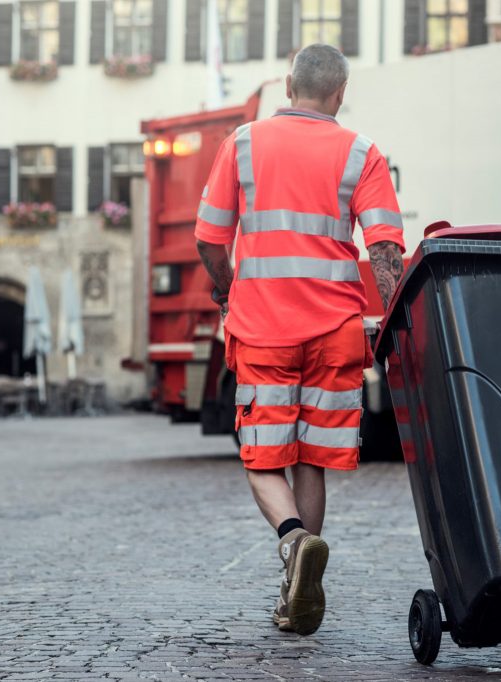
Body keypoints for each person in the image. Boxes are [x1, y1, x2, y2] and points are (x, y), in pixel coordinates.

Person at [194, 44, 405, 636]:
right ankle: (297, 591)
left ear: (289, 87)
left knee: (262, 459)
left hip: (264, 330)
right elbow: (385, 249)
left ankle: (294, 545)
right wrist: (393, 321)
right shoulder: (361, 152)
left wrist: (226, 287)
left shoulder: (241, 142)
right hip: (336, 332)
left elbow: (210, 239)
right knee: (312, 459)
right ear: (339, 93)